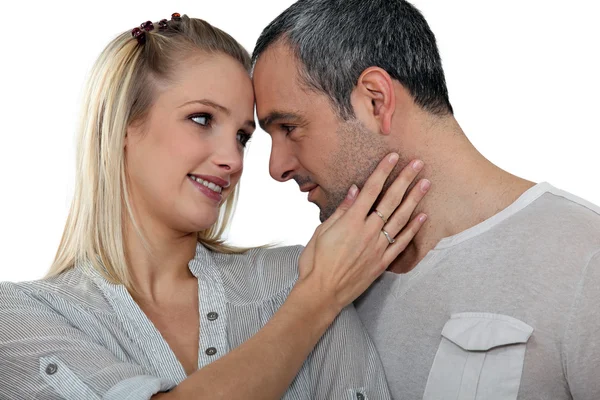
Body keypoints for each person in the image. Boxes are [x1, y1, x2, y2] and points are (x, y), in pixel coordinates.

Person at [0, 13, 431, 400]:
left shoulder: (296, 273)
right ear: (122, 125)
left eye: (243, 136)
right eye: (203, 119)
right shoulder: (22, 318)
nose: (234, 159)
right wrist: (316, 301)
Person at [252, 0, 600, 399]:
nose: (276, 167)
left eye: (289, 127)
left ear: (375, 101)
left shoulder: (584, 259)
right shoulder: (321, 282)